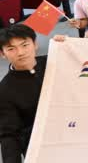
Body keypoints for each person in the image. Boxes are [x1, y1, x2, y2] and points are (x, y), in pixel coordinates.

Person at [0, 24, 50, 163]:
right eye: (11, 49)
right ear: (2, 54)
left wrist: (66, 46)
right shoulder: (4, 90)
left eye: (25, 45)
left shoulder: (54, 61)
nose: (20, 52)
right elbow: (9, 134)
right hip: (40, 145)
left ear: (35, 44)